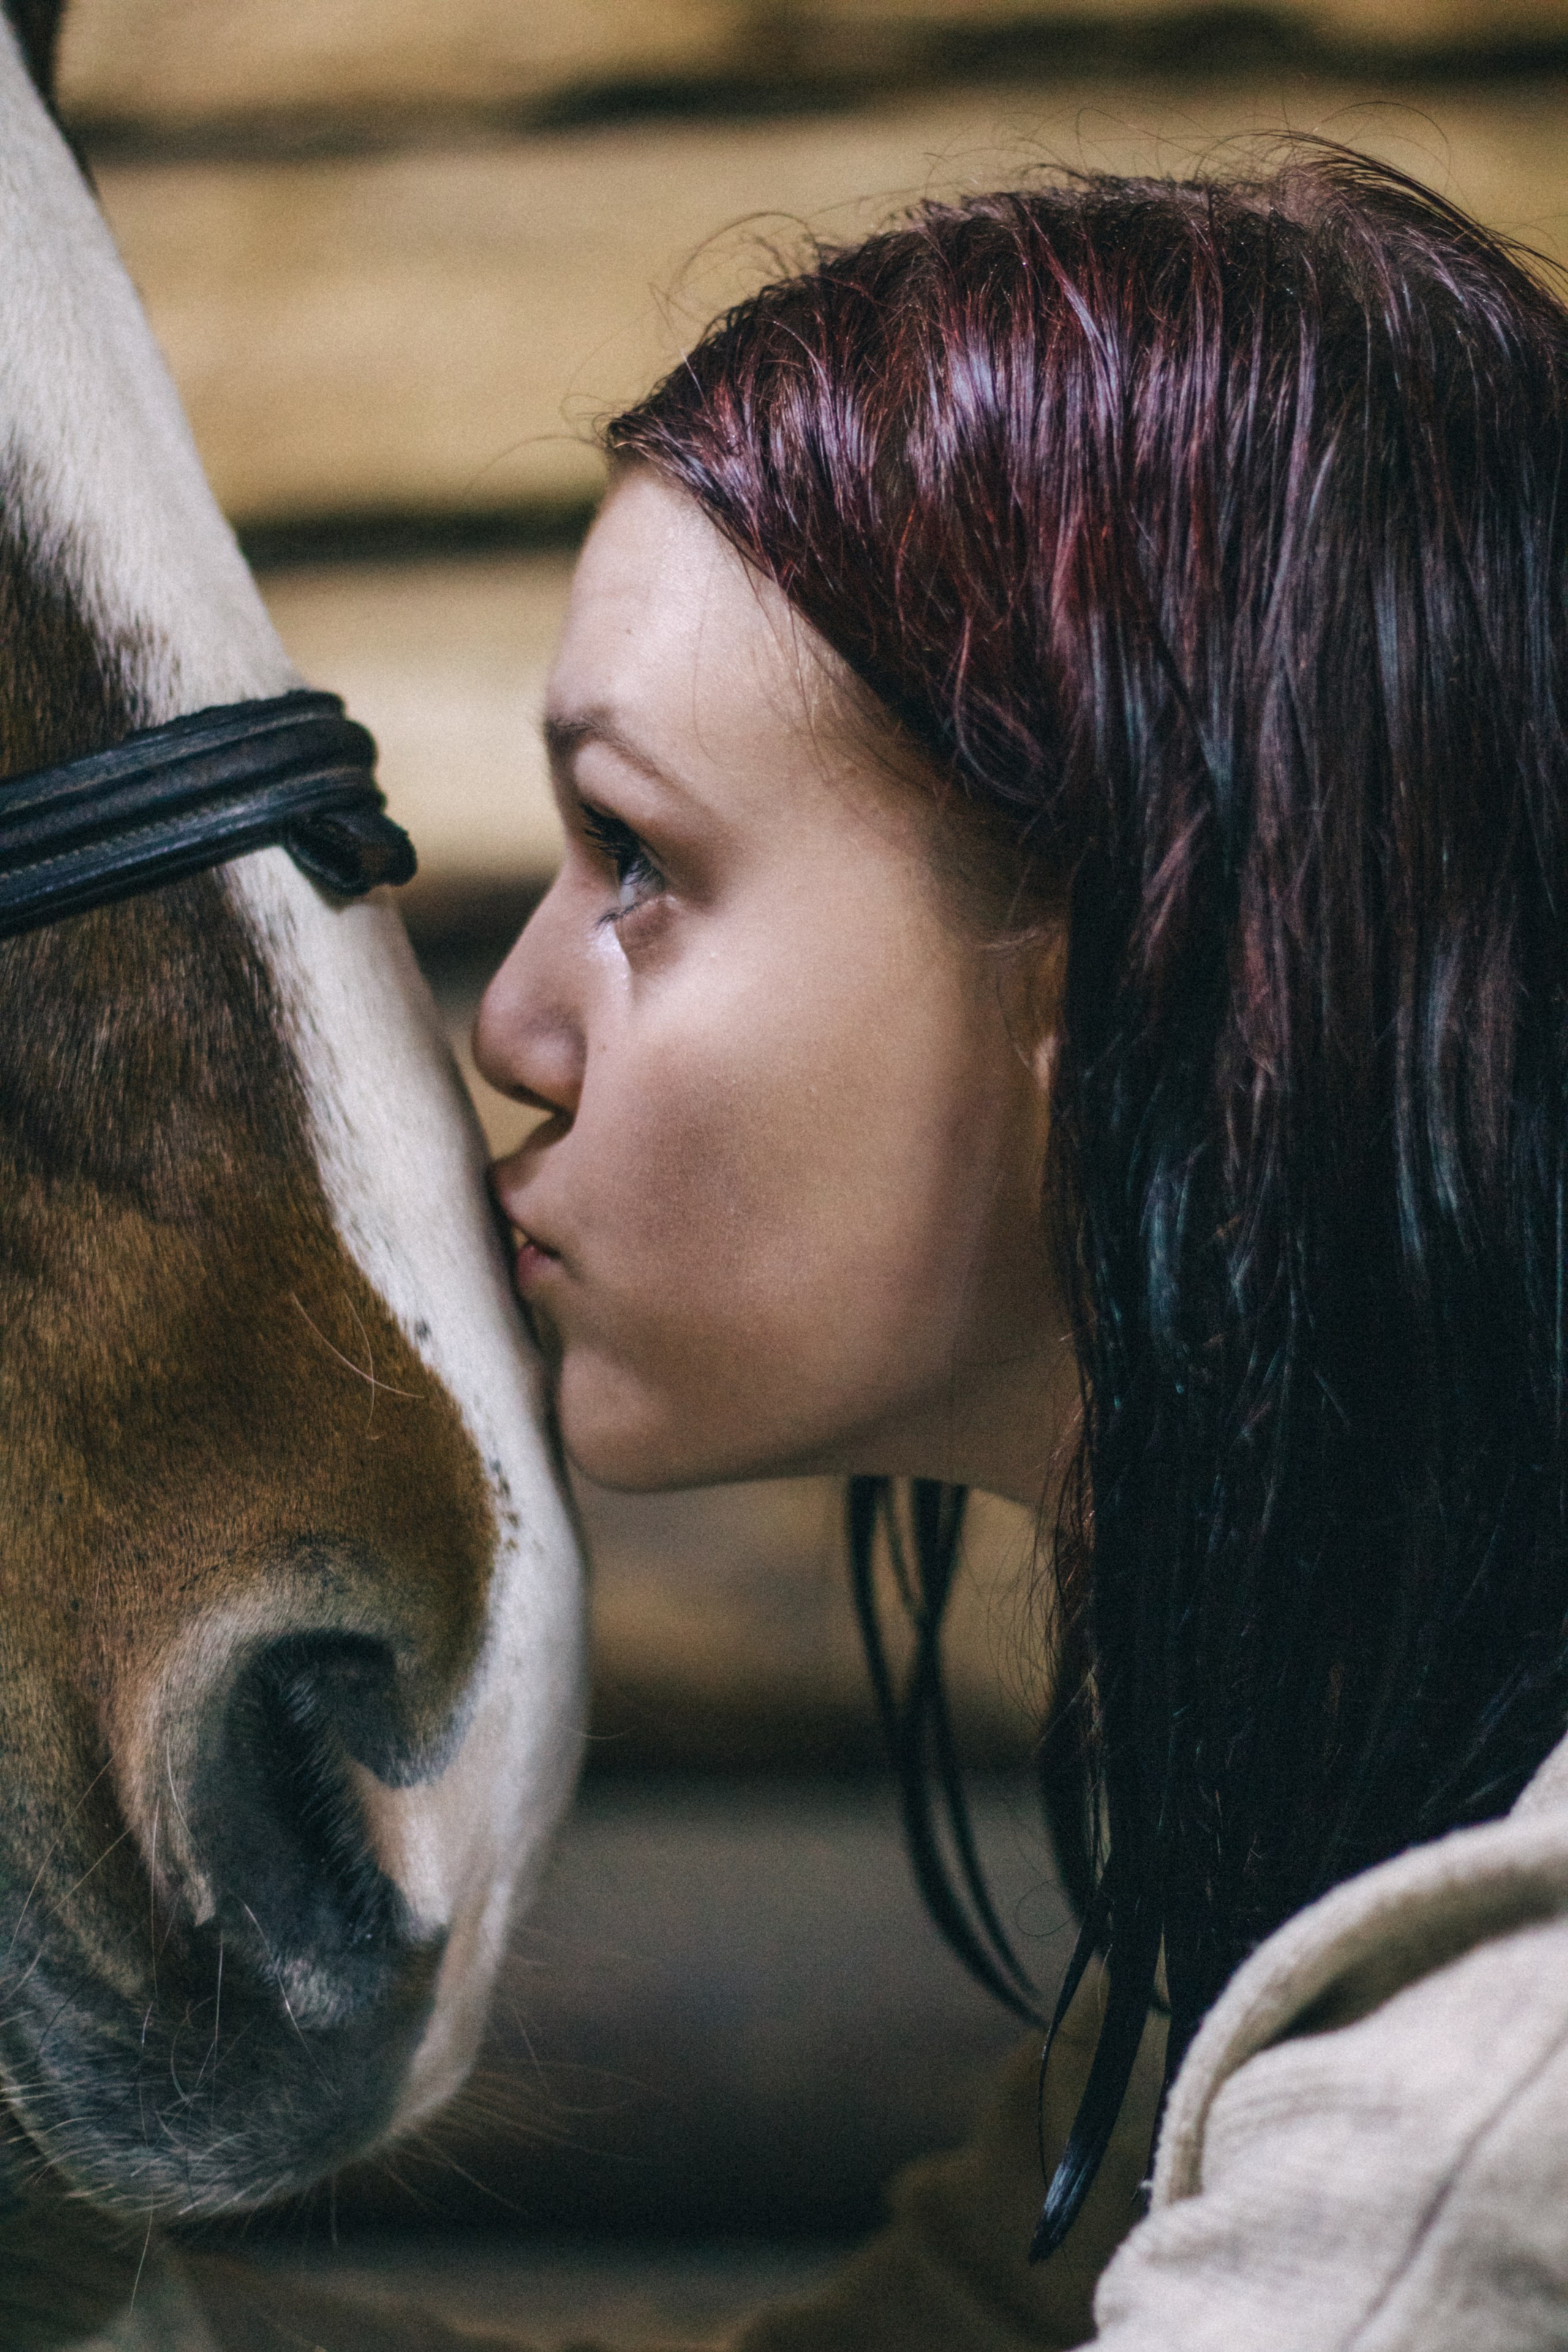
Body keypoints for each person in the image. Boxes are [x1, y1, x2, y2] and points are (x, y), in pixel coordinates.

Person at [465, 147, 1568, 2348]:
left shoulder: (1482, 2095)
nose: (510, 1022)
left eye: (636, 852)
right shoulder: (1338, 1830)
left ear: (1122, 960)